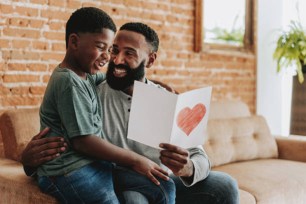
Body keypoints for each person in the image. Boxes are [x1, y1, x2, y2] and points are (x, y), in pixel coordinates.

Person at [22, 22, 239, 203]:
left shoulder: (167, 101)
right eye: (115, 50)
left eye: (129, 54)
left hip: (161, 178)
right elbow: (67, 144)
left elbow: (200, 157)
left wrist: (188, 168)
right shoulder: (92, 93)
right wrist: (29, 162)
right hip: (117, 179)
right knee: (135, 198)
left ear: (151, 60)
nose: (116, 60)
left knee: (226, 186)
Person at [35, 7, 175, 204]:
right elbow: (83, 141)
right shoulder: (68, 82)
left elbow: (119, 76)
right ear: (74, 42)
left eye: (109, 49)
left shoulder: (86, 77)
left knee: (164, 185)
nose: (108, 57)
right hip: (68, 171)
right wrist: (136, 160)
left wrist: (155, 84)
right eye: (101, 47)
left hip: (92, 165)